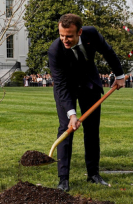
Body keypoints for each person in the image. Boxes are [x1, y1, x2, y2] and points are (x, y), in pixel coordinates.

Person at [48, 14, 125, 191]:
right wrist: (72, 114)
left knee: (91, 130)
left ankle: (93, 175)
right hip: (66, 88)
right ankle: (63, 180)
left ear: (80, 32)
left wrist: (119, 76)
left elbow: (108, 52)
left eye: (69, 36)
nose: (64, 40)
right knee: (65, 129)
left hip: (89, 84)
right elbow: (60, 85)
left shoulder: (91, 34)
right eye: (61, 35)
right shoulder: (55, 50)